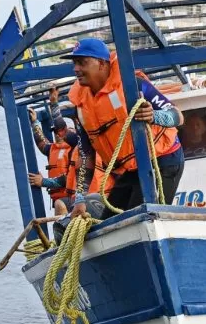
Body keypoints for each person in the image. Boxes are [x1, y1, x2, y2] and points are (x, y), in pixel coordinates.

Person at [62, 38, 185, 219]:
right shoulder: (82, 106)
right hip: (129, 170)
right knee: (109, 222)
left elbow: (178, 116)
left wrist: (154, 116)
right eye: (74, 63)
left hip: (164, 160)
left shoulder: (133, 84)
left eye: (82, 62)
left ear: (102, 64)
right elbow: (85, 154)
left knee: (138, 219)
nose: (76, 69)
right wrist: (80, 199)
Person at [26, 87, 80, 214]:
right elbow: (41, 142)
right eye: (54, 131)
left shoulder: (76, 148)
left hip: (75, 199)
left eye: (59, 130)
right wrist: (35, 123)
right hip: (59, 200)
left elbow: (70, 178)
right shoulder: (52, 149)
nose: (57, 134)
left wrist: (43, 181)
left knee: (60, 206)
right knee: (59, 206)